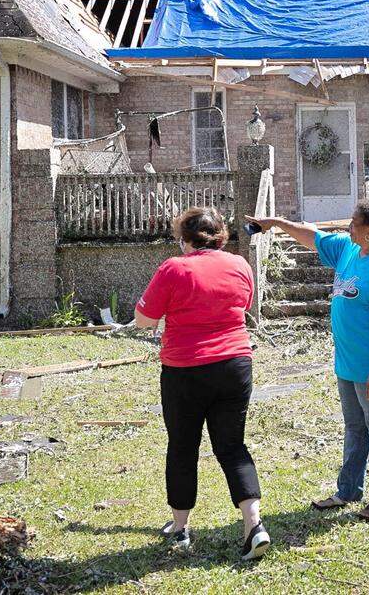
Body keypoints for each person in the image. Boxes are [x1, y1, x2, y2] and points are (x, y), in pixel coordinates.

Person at [246, 199, 369, 520]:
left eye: (354, 222)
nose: (348, 226)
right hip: (348, 364)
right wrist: (277, 222)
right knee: (354, 428)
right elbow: (313, 235)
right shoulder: (350, 249)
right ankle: (348, 491)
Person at [134, 206, 271, 559]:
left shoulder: (174, 268)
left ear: (184, 240)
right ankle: (254, 525)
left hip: (186, 370)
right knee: (232, 446)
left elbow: (144, 319)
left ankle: (180, 530)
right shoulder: (240, 264)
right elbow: (244, 305)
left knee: (183, 446)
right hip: (235, 365)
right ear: (221, 236)